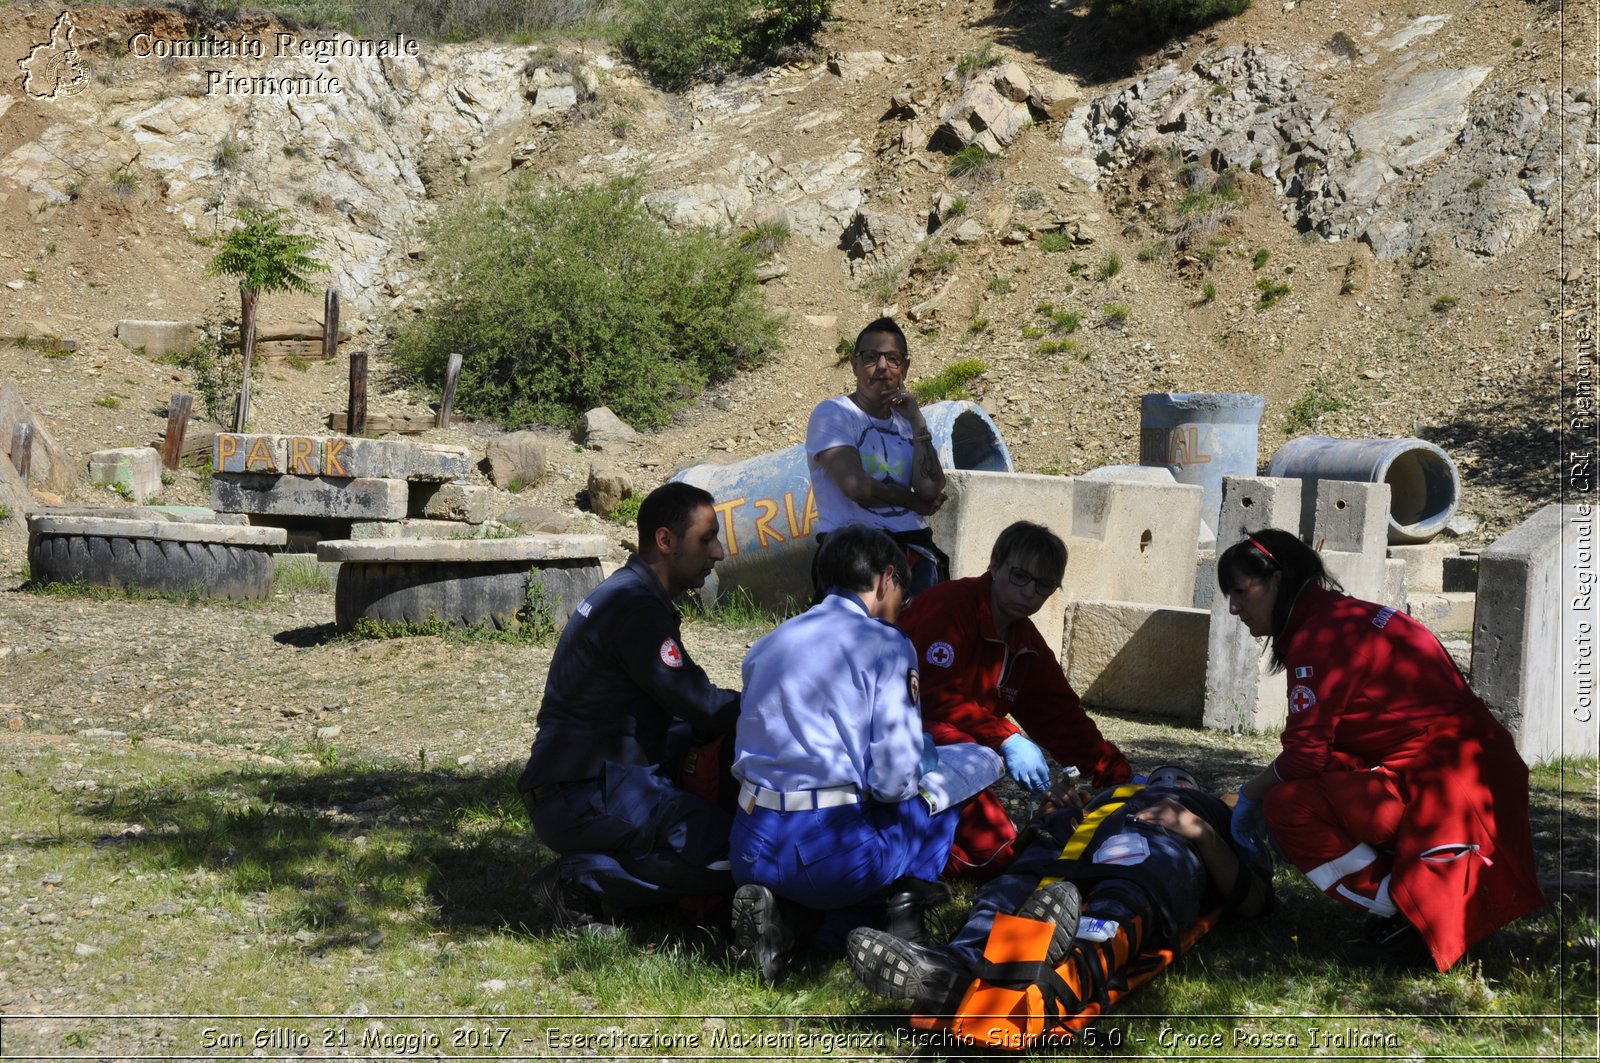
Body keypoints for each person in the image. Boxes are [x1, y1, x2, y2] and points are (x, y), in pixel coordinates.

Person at [1219, 528, 1544, 970]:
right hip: (1477, 773)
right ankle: (1417, 905)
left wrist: (1251, 794)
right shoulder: (1350, 616)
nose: (1234, 606)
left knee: (1287, 807)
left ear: (1277, 579)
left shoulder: (1319, 638)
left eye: (1240, 591)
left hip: (1445, 787)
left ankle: (1406, 911)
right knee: (1315, 786)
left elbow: (1304, 758)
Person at [727, 524, 994, 983]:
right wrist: (927, 758)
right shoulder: (887, 645)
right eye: (903, 600)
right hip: (827, 854)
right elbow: (894, 781)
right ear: (886, 579)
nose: (900, 613)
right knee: (970, 767)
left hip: (750, 844)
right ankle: (899, 924)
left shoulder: (772, 641)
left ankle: (787, 920)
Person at [846, 766, 1273, 1035]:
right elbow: (1020, 849)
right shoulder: (1106, 798)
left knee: (1126, 887)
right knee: (1015, 885)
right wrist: (1047, 815)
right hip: (1074, 843)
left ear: (1190, 787)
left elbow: (1252, 899)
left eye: (1177, 778)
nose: (1166, 780)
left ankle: (1055, 982)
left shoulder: (1220, 806)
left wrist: (1200, 829)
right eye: (1158, 775)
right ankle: (957, 965)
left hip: (1155, 845)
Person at [518, 482, 740, 929]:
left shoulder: (628, 594)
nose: (717, 552)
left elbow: (674, 711)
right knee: (739, 854)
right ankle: (579, 880)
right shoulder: (636, 608)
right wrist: (773, 706)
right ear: (665, 541)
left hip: (583, 784)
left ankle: (604, 869)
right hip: (586, 792)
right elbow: (699, 703)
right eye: (706, 539)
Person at [898, 521, 1132, 880]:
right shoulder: (950, 607)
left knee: (1001, 852)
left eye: (1043, 585)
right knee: (994, 856)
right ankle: (905, 859)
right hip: (905, 741)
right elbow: (932, 695)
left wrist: (1120, 777)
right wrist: (1006, 737)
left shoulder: (1025, 640)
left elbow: (1060, 716)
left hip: (960, 753)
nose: (1029, 592)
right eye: (1020, 576)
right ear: (994, 564)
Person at [806, 317, 949, 597]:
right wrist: (912, 501)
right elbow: (856, 487)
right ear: (855, 364)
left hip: (914, 546)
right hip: (855, 550)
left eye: (892, 359)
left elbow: (930, 487)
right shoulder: (834, 414)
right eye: (871, 357)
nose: (882, 367)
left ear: (904, 368)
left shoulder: (908, 422)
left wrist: (918, 420)